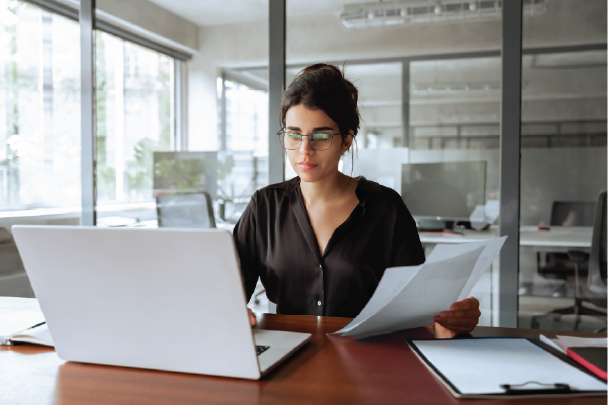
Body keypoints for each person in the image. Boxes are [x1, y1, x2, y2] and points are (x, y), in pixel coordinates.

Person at [233, 63, 480, 334]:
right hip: (288, 358)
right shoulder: (265, 207)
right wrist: (229, 309)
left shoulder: (386, 208)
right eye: (294, 135)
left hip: (368, 360)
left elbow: (419, 312)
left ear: (347, 140)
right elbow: (228, 294)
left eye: (321, 136)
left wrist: (453, 319)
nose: (305, 150)